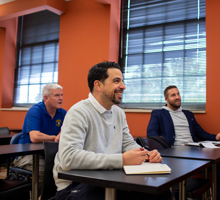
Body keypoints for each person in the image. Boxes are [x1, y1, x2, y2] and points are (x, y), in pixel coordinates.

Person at [53, 61, 172, 200]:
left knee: (160, 193)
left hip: (108, 177)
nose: (123, 86)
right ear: (98, 85)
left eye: (122, 81)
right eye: (116, 81)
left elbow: (127, 143)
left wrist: (145, 154)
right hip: (75, 184)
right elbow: (69, 158)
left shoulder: (118, 113)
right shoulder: (79, 112)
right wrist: (121, 160)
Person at [147, 85, 220, 200]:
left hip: (194, 152)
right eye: (173, 95)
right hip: (175, 154)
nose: (177, 97)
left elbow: (200, 133)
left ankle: (219, 197)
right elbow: (151, 134)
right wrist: (167, 148)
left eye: (178, 94)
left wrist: (216, 137)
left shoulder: (188, 114)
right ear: (166, 99)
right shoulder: (159, 113)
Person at [14, 83, 66, 192]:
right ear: (46, 98)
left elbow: (67, 132)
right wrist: (55, 137)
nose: (61, 98)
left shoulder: (63, 113)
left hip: (47, 155)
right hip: (27, 155)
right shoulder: (35, 111)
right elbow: (35, 137)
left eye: (62, 95)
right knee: (48, 173)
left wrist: (62, 134)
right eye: (57, 95)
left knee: (64, 171)